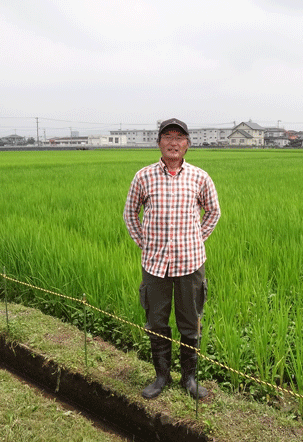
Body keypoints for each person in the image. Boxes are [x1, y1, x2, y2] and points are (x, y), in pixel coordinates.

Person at [123, 118, 221, 400]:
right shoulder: (143, 176)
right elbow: (130, 214)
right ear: (159, 143)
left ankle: (189, 378)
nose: (173, 142)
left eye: (179, 137)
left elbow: (213, 212)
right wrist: (144, 243)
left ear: (187, 144)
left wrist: (196, 238)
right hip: (154, 265)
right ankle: (161, 376)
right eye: (168, 136)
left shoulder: (200, 177)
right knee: (157, 321)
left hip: (191, 263)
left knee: (190, 322)